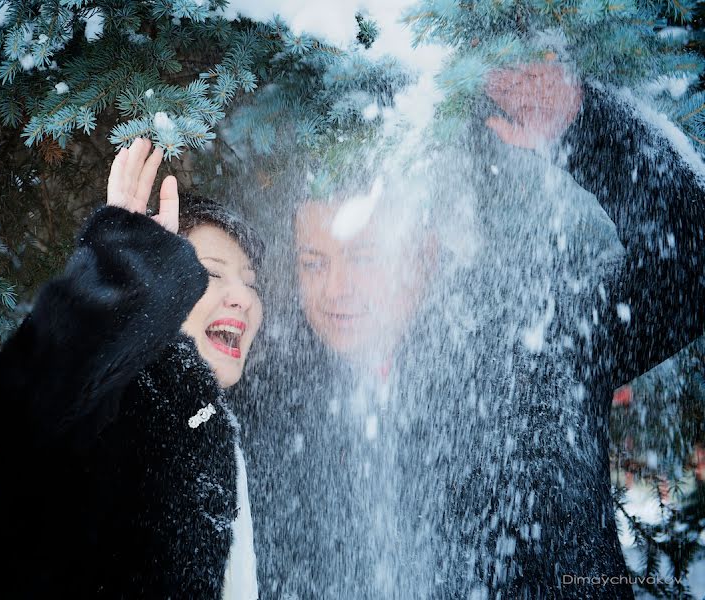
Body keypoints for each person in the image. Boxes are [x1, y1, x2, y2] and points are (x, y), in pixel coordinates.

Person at [237, 62, 705, 598]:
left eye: (364, 257)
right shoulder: (270, 393)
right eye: (314, 263)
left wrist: (586, 126)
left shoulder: (531, 342)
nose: (335, 289)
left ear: (425, 253)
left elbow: (691, 261)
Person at [0, 138, 264, 599]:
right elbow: (16, 416)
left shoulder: (210, 423)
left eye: (249, 281)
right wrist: (121, 276)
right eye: (213, 274)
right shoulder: (113, 399)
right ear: (164, 291)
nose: (242, 296)